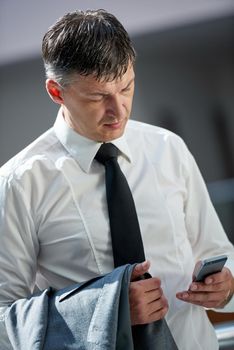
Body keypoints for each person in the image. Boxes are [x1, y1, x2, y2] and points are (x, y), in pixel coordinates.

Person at [0, 9, 234, 350]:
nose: (119, 110)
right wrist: (109, 315)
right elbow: (4, 318)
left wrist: (226, 288)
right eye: (97, 96)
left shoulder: (168, 149)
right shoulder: (20, 183)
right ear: (56, 91)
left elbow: (218, 253)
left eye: (126, 87)